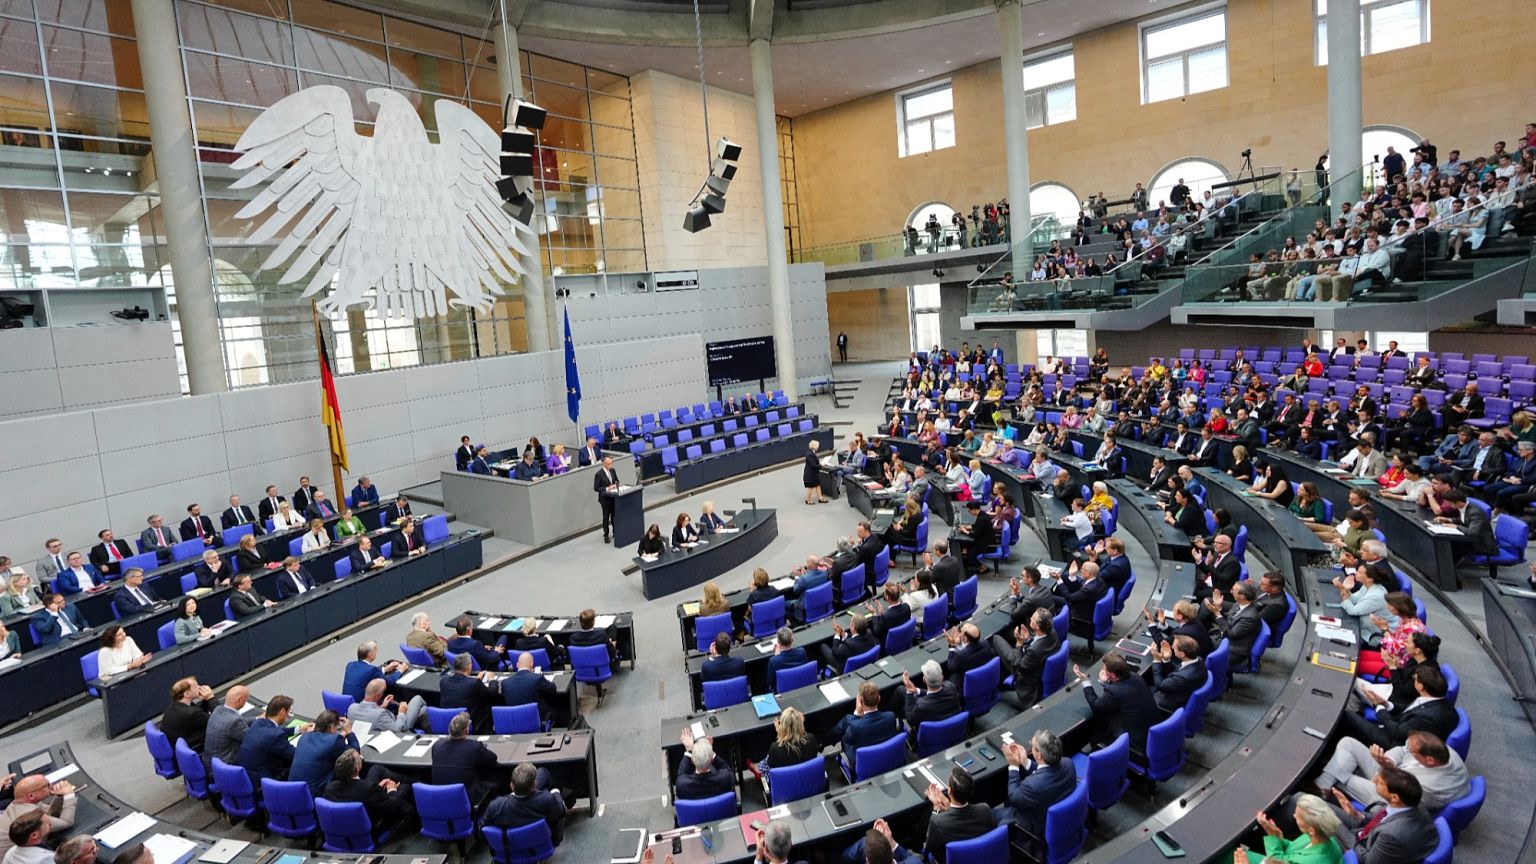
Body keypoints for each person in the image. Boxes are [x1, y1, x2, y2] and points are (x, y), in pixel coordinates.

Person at [1334, 766, 1439, 864]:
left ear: (1394, 797)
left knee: (1325, 825)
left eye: (1379, 782)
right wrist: (1357, 814)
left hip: (1362, 848)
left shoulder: (1392, 835)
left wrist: (1336, 825)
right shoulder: (1412, 803)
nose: (1374, 781)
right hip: (1367, 831)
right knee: (1322, 808)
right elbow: (1383, 818)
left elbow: (1368, 860)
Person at [993, 730, 1077, 848]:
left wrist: (1013, 765)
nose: (1031, 748)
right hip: (1059, 814)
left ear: (1040, 755)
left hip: (1036, 823)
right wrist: (1025, 762)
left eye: (1032, 746)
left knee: (989, 814)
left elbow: (1013, 797)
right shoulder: (1068, 763)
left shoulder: (1033, 785)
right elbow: (1046, 771)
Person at [1076, 652, 1159, 751]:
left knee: (1096, 738)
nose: (1103, 671)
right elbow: (1120, 690)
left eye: (1105, 670)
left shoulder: (1114, 692)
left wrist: (1085, 681)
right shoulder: (1135, 676)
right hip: (1153, 731)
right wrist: (1105, 682)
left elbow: (1096, 706)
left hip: (1137, 742)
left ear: (1112, 675)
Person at [323, 749, 415, 833]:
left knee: (376, 769)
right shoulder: (368, 788)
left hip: (341, 826)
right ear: (357, 769)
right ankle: (415, 782)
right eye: (360, 758)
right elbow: (390, 804)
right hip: (368, 824)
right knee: (405, 786)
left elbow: (362, 793)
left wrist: (378, 787)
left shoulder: (329, 788)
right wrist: (392, 789)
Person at [1236, 793, 1343, 864]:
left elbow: (1277, 861)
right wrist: (1278, 837)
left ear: (1311, 830)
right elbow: (1293, 849)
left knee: (1229, 855)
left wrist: (1273, 837)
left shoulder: (1309, 861)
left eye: (1298, 816)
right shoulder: (1326, 838)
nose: (1294, 816)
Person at [920, 766, 998, 863]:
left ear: (949, 791)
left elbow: (929, 847)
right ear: (971, 791)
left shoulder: (938, 821)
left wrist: (936, 807)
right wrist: (948, 806)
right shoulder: (985, 809)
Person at [482, 762, 568, 846]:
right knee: (557, 802)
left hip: (510, 850)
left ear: (511, 786)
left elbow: (483, 829)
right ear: (534, 786)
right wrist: (556, 793)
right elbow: (559, 812)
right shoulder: (547, 799)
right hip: (543, 844)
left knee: (542, 773)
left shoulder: (495, 806)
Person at [826, 681, 900, 770]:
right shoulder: (891, 716)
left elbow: (847, 740)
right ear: (879, 698)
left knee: (845, 733)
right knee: (848, 720)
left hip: (866, 764)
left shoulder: (855, 726)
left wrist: (856, 713)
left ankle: (824, 742)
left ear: (860, 701)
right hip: (888, 758)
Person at [431, 711, 502, 804]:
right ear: (466, 731)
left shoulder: (436, 746)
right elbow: (493, 758)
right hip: (465, 802)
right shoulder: (474, 747)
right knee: (499, 777)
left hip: (440, 801)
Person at [0, 775, 76, 859]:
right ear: (31, 796)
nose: (51, 786)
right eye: (46, 786)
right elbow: (66, 822)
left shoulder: (19, 803)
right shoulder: (28, 815)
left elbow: (49, 814)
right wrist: (69, 794)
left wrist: (60, 796)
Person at [238, 695, 306, 784]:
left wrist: (299, 729)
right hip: (265, 782)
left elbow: (276, 731)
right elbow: (295, 755)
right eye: (288, 712)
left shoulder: (258, 723)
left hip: (248, 776)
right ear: (282, 712)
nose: (288, 716)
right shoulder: (276, 736)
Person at [289, 710, 358, 795]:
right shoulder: (335, 741)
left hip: (291, 791)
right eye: (337, 727)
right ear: (332, 726)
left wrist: (339, 737)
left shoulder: (305, 736)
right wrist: (349, 732)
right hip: (315, 795)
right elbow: (354, 753)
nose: (337, 730)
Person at [900, 659, 962, 742]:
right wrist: (916, 691)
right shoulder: (951, 687)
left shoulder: (921, 705)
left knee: (904, 705)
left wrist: (908, 691)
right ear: (942, 677)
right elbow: (935, 694)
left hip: (931, 740)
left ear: (924, 680)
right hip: (953, 733)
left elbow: (909, 720)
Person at [438, 654, 500, 732]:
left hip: (448, 721)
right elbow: (493, 693)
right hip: (469, 723)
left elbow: (462, 687)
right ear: (469, 666)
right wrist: (491, 679)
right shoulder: (473, 683)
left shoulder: (444, 681)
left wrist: (477, 680)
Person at [1149, 635, 1206, 713]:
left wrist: (1156, 660)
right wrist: (1166, 659)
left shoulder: (1182, 677)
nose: (1172, 647)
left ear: (1182, 654)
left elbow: (1160, 685)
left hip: (1170, 703)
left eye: (1174, 647)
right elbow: (1178, 670)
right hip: (1184, 691)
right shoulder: (1199, 659)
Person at [674, 728, 733, 801]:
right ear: (712, 760)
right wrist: (710, 751)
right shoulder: (725, 778)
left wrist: (689, 749)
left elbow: (681, 774)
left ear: (692, 761)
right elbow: (726, 769)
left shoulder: (682, 785)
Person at [348, 678, 426, 733]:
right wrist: (401, 713)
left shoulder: (352, 708)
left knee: (423, 711)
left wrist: (382, 706)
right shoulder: (380, 714)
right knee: (418, 699)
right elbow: (398, 730)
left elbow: (368, 714)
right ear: (378, 696)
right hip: (401, 729)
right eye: (384, 691)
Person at [161, 676, 216, 752]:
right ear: (187, 694)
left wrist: (206, 700)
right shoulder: (192, 713)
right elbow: (220, 720)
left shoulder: (175, 705)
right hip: (195, 749)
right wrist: (211, 698)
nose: (200, 687)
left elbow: (201, 716)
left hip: (179, 749)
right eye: (196, 686)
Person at [499, 652, 557, 725]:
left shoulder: (505, 683)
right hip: (536, 720)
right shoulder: (537, 678)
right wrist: (540, 676)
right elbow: (552, 688)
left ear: (517, 665)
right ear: (532, 664)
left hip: (514, 721)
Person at [204, 685, 253, 765]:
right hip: (226, 768)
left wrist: (258, 718)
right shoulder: (235, 721)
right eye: (246, 698)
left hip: (211, 764)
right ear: (240, 700)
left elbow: (240, 722)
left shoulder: (218, 709)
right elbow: (252, 739)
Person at [593, 455, 622, 544]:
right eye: (609, 464)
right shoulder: (599, 474)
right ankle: (606, 534)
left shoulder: (613, 470)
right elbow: (596, 488)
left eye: (611, 463)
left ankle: (615, 531)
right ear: (604, 463)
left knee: (614, 515)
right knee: (606, 517)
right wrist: (607, 488)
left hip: (613, 497)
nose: (610, 465)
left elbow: (617, 480)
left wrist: (615, 485)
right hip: (605, 499)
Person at [804, 440, 828, 504]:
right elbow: (813, 465)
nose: (818, 447)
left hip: (814, 473)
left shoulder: (811, 452)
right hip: (810, 474)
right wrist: (821, 465)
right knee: (811, 487)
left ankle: (820, 498)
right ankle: (808, 500)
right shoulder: (810, 454)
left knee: (818, 485)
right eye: (817, 446)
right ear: (814, 446)